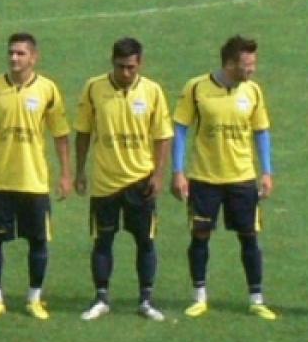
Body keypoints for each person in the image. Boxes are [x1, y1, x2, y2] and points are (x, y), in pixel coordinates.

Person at [0, 33, 71, 320]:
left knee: (38, 241)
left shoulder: (47, 89)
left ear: (33, 57)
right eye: (11, 53)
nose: (14, 58)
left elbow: (61, 134)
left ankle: (34, 299)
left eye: (21, 53)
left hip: (33, 181)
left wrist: (66, 174)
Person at [171, 35, 276, 320]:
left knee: (249, 236)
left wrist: (267, 171)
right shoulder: (197, 88)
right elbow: (180, 129)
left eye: (253, 63)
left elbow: (261, 131)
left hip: (242, 177)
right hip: (204, 178)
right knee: (200, 235)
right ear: (229, 64)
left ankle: (256, 299)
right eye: (247, 64)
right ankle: (199, 296)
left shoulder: (253, 91)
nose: (252, 69)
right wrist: (178, 171)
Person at [74, 38, 172, 321]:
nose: (125, 73)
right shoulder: (94, 88)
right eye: (120, 67)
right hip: (105, 182)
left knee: (145, 241)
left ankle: (146, 300)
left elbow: (162, 136)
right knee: (102, 240)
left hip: (140, 181)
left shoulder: (152, 91)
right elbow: (83, 132)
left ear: (140, 63)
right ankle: (101, 298)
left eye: (131, 67)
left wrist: (158, 174)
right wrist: (80, 171)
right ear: (112, 62)